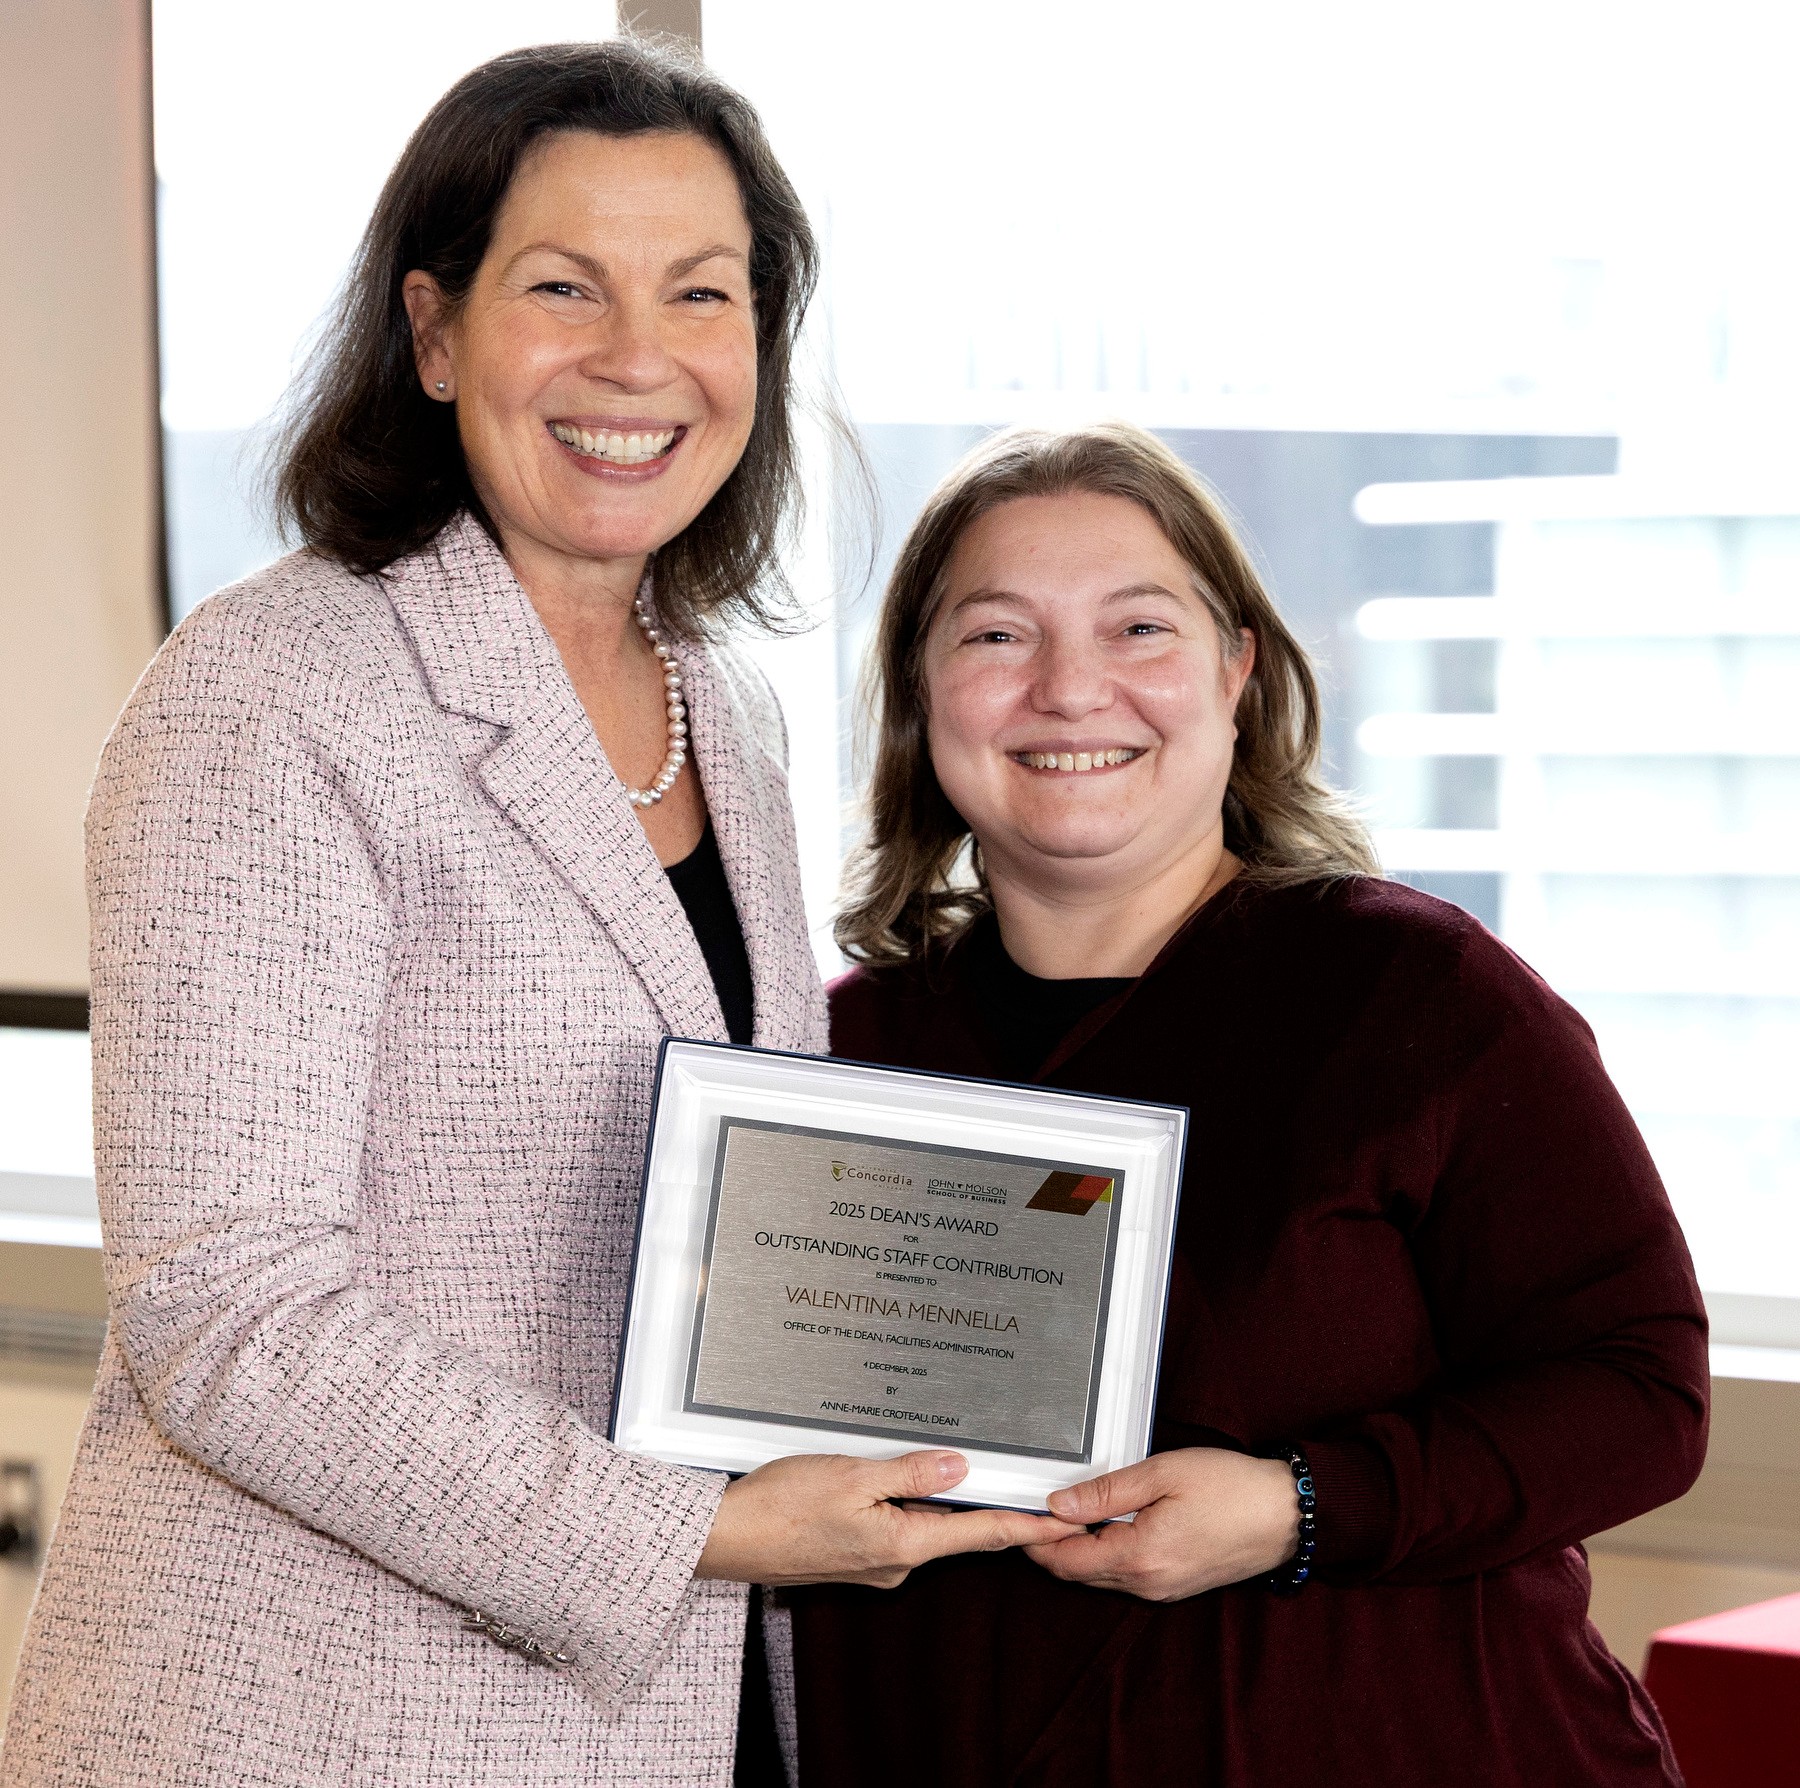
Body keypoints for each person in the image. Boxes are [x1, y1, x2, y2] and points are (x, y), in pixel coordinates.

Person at [0, 43, 1070, 1788]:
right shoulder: (274, 694)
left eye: (700, 295)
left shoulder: (725, 704)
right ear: (433, 334)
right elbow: (232, 1310)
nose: (636, 360)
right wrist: (704, 1530)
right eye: (562, 288)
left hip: (671, 1714)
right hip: (318, 1713)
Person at [789, 422, 1710, 1786]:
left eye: (1139, 629)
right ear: (922, 700)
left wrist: (1298, 1506)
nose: (1069, 689)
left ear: (1239, 674)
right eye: (995, 637)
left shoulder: (1419, 998)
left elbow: (1640, 1398)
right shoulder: (828, 1058)